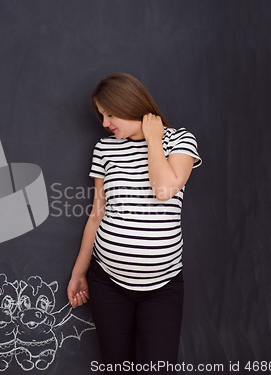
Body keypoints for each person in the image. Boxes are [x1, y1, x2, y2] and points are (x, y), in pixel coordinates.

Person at [67, 73, 201, 374]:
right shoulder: (105, 149)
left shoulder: (180, 140)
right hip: (108, 283)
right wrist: (79, 272)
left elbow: (164, 190)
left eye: (110, 113)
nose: (104, 123)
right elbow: (97, 213)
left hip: (162, 287)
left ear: (131, 104)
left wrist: (154, 138)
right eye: (101, 115)